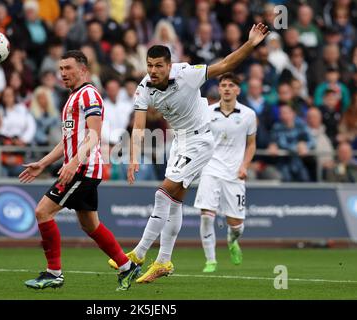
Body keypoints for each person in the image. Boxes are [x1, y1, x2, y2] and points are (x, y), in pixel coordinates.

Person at [108, 23, 270, 284]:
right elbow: (138, 126)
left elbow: (225, 65)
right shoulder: (144, 87)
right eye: (150, 65)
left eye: (159, 65)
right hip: (179, 143)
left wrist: (251, 44)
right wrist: (134, 157)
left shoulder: (187, 74)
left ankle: (138, 254)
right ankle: (163, 261)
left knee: (162, 194)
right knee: (174, 202)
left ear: (170, 65)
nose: (153, 70)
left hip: (201, 141)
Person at [19, 50, 141, 291]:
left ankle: (54, 273)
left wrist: (74, 162)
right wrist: (43, 162)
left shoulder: (89, 95)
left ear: (83, 70)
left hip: (83, 168)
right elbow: (68, 140)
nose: (63, 73)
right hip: (82, 166)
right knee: (90, 225)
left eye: (68, 68)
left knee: (43, 212)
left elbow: (94, 135)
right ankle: (127, 267)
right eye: (61, 69)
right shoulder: (73, 98)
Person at [195, 73, 257, 273]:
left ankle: (232, 241)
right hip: (210, 169)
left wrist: (244, 166)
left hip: (234, 173)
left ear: (238, 89)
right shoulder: (208, 112)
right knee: (206, 215)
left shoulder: (248, 114)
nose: (227, 88)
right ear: (219, 89)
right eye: (223, 85)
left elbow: (251, 144)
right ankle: (210, 260)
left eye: (231, 85)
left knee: (236, 224)